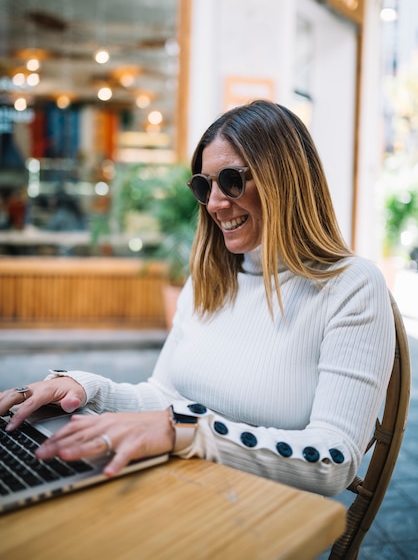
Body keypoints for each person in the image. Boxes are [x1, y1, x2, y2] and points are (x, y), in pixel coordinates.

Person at [0, 100, 395, 497]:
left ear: (286, 179)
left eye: (233, 181)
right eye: (205, 186)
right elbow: (164, 397)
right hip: (184, 491)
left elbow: (333, 461)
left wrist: (187, 431)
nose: (216, 204)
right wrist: (87, 388)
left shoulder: (350, 287)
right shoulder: (211, 278)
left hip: (264, 520)